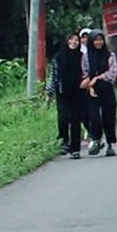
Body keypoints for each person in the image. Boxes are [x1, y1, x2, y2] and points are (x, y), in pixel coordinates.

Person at [47, 31, 86, 159]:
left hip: (78, 93)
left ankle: (75, 148)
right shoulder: (59, 57)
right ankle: (64, 140)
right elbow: (54, 76)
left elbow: (87, 72)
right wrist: (49, 92)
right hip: (62, 92)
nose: (73, 42)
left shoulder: (82, 57)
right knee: (63, 118)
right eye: (71, 39)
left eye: (76, 40)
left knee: (75, 120)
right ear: (67, 41)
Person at [81, 31, 117, 157]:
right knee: (94, 117)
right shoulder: (86, 57)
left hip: (106, 89)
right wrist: (89, 85)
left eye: (100, 40)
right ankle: (96, 139)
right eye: (95, 40)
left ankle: (110, 144)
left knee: (108, 117)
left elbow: (112, 73)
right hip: (91, 92)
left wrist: (98, 78)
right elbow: (84, 73)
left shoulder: (109, 55)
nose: (98, 42)